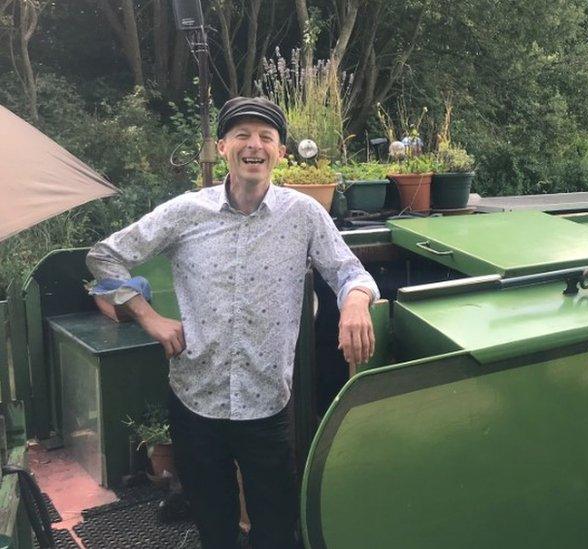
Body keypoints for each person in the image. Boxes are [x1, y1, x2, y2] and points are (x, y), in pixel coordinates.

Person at [86, 96, 379, 549]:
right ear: (222, 146)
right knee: (215, 530)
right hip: (195, 399)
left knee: (276, 532)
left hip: (267, 403)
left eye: (266, 137)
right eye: (242, 135)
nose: (254, 145)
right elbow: (104, 256)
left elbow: (349, 271)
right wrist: (148, 318)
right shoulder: (186, 212)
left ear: (281, 152)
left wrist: (355, 303)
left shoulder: (303, 215)